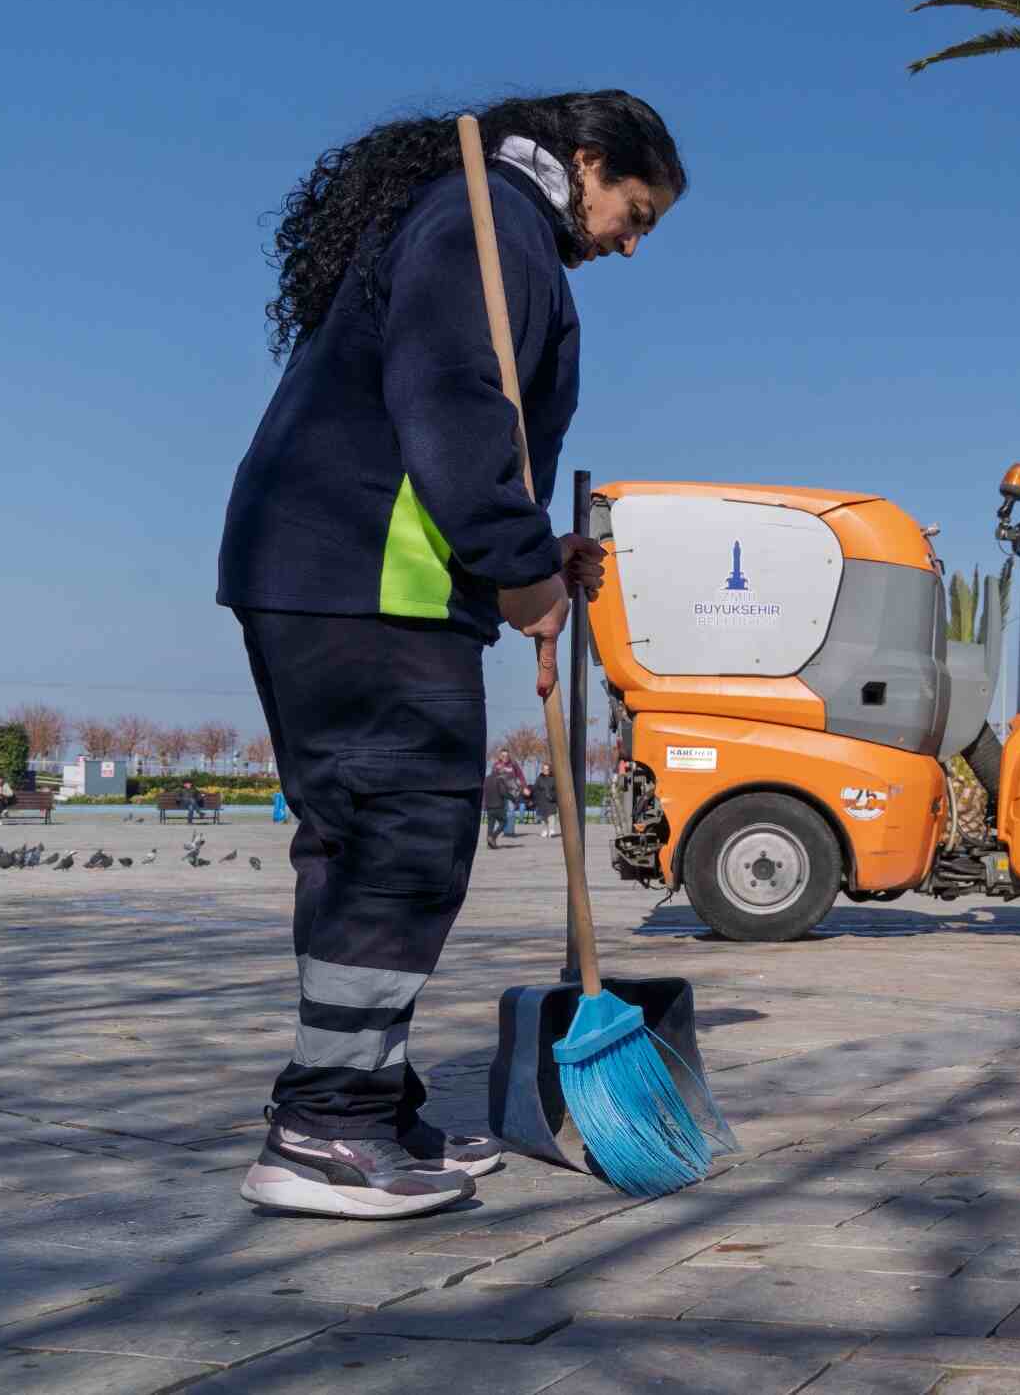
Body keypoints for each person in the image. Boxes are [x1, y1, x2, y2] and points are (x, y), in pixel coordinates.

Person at [217, 91, 683, 1220]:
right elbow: (453, 402)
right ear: (587, 160)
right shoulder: (485, 223)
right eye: (635, 210)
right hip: (362, 583)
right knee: (404, 841)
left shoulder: (484, 224)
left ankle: (365, 1099)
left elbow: (460, 431)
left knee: (359, 843)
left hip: (329, 572)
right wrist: (517, 565)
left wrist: (525, 553)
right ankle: (324, 1129)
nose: (628, 241)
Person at [482, 757, 515, 850]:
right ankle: (493, 837)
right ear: (498, 770)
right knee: (504, 822)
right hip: (498, 806)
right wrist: (513, 798)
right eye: (501, 769)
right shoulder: (499, 779)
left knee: (490, 825)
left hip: (489, 806)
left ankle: (490, 844)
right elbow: (503, 792)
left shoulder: (486, 779)